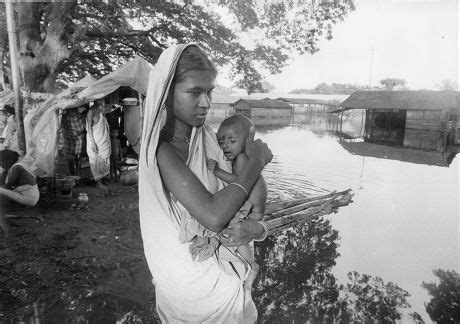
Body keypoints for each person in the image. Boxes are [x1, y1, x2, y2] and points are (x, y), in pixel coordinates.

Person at [139, 44, 272, 323]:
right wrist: (257, 160)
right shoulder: (161, 152)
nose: (206, 103)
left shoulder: (208, 138)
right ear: (165, 93)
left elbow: (247, 198)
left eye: (209, 92)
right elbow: (213, 216)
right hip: (188, 288)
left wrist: (257, 227)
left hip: (225, 275)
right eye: (194, 92)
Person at [206, 115, 267, 292]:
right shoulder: (243, 157)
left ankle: (252, 265)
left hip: (252, 208)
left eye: (232, 140)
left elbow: (239, 182)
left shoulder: (242, 159)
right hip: (253, 206)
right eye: (221, 141)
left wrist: (217, 171)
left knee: (236, 233)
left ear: (248, 141)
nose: (225, 145)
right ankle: (247, 263)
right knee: (237, 234)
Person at [0, 149, 40, 233]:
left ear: (9, 160)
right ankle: (2, 219)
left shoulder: (17, 168)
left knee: (1, 192)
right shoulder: (16, 166)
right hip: (28, 195)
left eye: (1, 161)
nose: (0, 164)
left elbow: (7, 186)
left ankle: (2, 222)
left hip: (29, 198)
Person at [86, 99, 111, 190]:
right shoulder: (90, 112)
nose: (103, 104)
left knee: (104, 158)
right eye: (101, 102)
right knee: (95, 160)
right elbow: (89, 128)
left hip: (103, 140)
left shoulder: (101, 111)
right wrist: (93, 143)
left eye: (103, 102)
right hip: (95, 140)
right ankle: (98, 182)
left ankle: (103, 177)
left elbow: (104, 124)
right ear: (96, 102)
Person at [62, 105, 87, 177]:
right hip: (69, 139)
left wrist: (83, 134)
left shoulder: (81, 116)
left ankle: (76, 176)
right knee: (72, 159)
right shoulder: (66, 116)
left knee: (77, 158)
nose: (84, 109)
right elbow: (64, 127)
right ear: (77, 107)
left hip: (77, 139)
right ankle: (74, 176)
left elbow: (84, 129)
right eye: (82, 107)